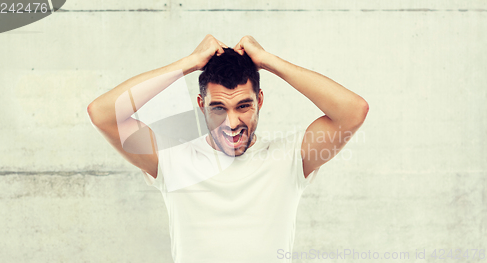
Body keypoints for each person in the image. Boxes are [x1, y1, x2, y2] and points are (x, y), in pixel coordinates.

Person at [87, 34, 368, 263]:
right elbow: (103, 113)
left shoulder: (290, 158)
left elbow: (353, 111)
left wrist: (268, 61)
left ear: (259, 100)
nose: (232, 123)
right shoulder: (173, 161)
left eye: (243, 106)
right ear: (201, 106)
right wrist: (189, 63)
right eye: (218, 108)